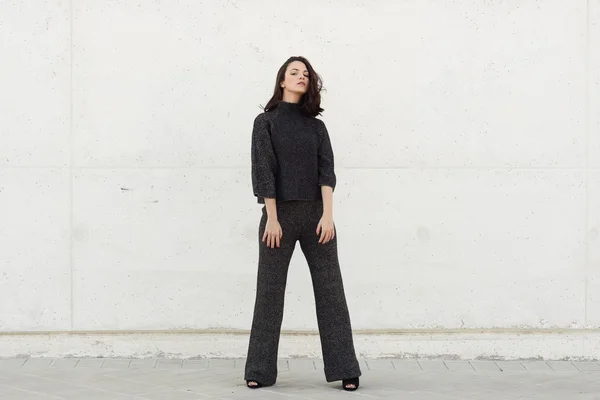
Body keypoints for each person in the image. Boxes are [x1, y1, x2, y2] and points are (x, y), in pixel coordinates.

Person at [244, 56, 362, 391]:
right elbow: (263, 170)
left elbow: (327, 172)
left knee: (331, 293)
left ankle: (345, 368)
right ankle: (259, 370)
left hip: (317, 217)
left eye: (305, 74)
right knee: (269, 294)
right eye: (293, 72)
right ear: (281, 80)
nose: (300, 77)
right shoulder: (265, 122)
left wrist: (328, 215)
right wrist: (272, 217)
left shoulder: (316, 127)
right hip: (277, 219)